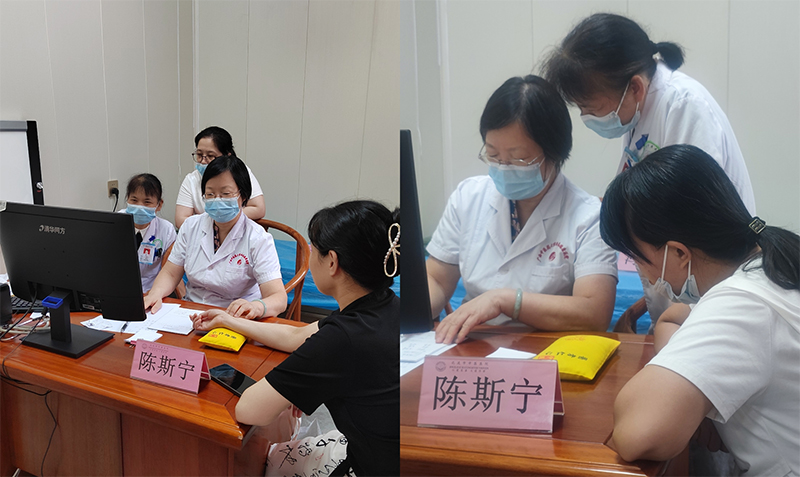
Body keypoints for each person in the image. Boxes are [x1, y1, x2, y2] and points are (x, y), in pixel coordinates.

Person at [542, 12, 757, 327]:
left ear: (635, 88)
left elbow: (693, 226)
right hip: (678, 289)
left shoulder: (684, 107)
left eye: (593, 108)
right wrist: (647, 300)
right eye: (582, 109)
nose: (588, 117)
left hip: (707, 290)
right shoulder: (637, 112)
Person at [599, 144, 799, 475]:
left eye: (636, 258)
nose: (641, 271)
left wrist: (683, 391)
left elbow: (639, 433)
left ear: (678, 253)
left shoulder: (743, 304)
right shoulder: (767, 265)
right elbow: (672, 318)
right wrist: (692, 383)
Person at [190, 200, 400, 477]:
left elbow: (249, 410)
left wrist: (290, 389)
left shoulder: (342, 338)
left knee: (268, 461)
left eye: (313, 249)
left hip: (372, 467)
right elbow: (296, 335)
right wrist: (229, 321)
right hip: (390, 454)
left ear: (332, 262)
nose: (309, 255)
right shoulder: (383, 305)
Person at [429, 75, 618, 345]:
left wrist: (505, 300)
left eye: (519, 158)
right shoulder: (468, 197)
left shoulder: (589, 217)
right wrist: (418, 308)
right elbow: (436, 279)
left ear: (555, 153)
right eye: (493, 155)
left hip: (547, 350)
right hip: (473, 345)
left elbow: (594, 312)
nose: (504, 167)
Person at [144, 155, 286, 318]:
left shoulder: (258, 238)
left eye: (225, 193)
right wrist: (155, 293)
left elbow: (278, 298)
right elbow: (170, 273)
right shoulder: (191, 226)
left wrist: (256, 307)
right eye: (210, 194)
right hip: (189, 313)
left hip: (233, 318)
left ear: (243, 196)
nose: (217, 200)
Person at [175, 126, 266, 228]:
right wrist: (212, 223)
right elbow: (180, 219)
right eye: (199, 155)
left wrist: (225, 219)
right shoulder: (191, 179)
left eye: (210, 156)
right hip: (203, 232)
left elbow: (258, 208)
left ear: (227, 156)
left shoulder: (240, 172)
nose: (203, 161)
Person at [122, 173, 177, 293]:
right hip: (118, 288)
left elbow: (171, 269)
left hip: (152, 291)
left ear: (159, 204)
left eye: (147, 202)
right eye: (134, 200)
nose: (139, 207)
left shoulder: (166, 229)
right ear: (127, 199)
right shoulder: (115, 223)